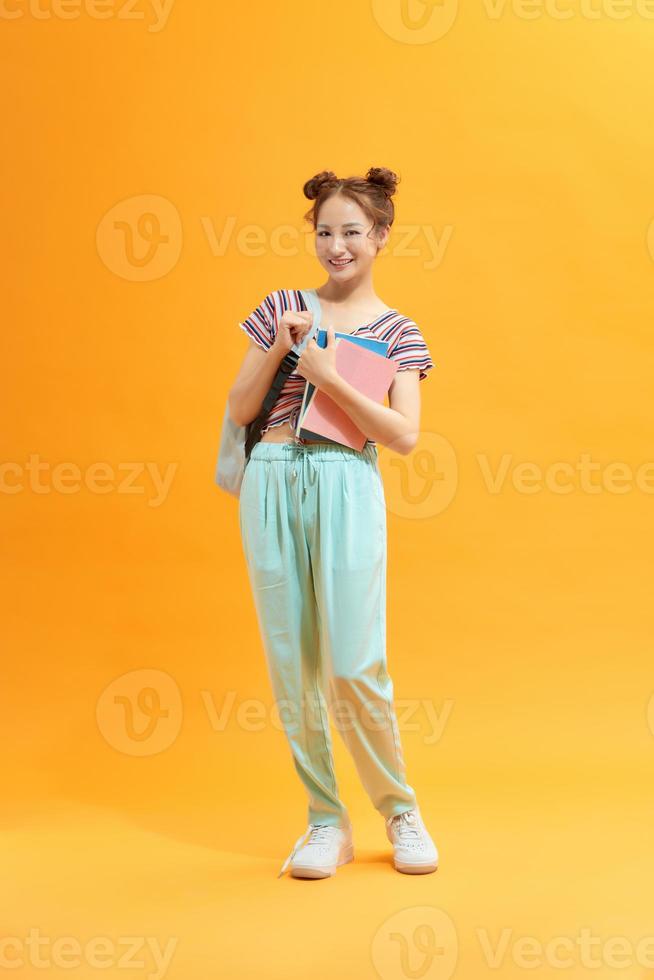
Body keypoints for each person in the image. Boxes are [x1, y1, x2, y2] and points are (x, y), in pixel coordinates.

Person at [228, 167, 439, 879]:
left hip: (347, 483)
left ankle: (399, 809)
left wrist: (327, 376)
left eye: (353, 232)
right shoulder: (282, 306)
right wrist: (280, 347)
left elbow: (404, 435)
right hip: (272, 478)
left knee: (354, 663)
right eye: (325, 232)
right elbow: (238, 408)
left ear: (380, 236)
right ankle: (325, 820)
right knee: (292, 662)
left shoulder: (397, 331)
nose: (337, 246)